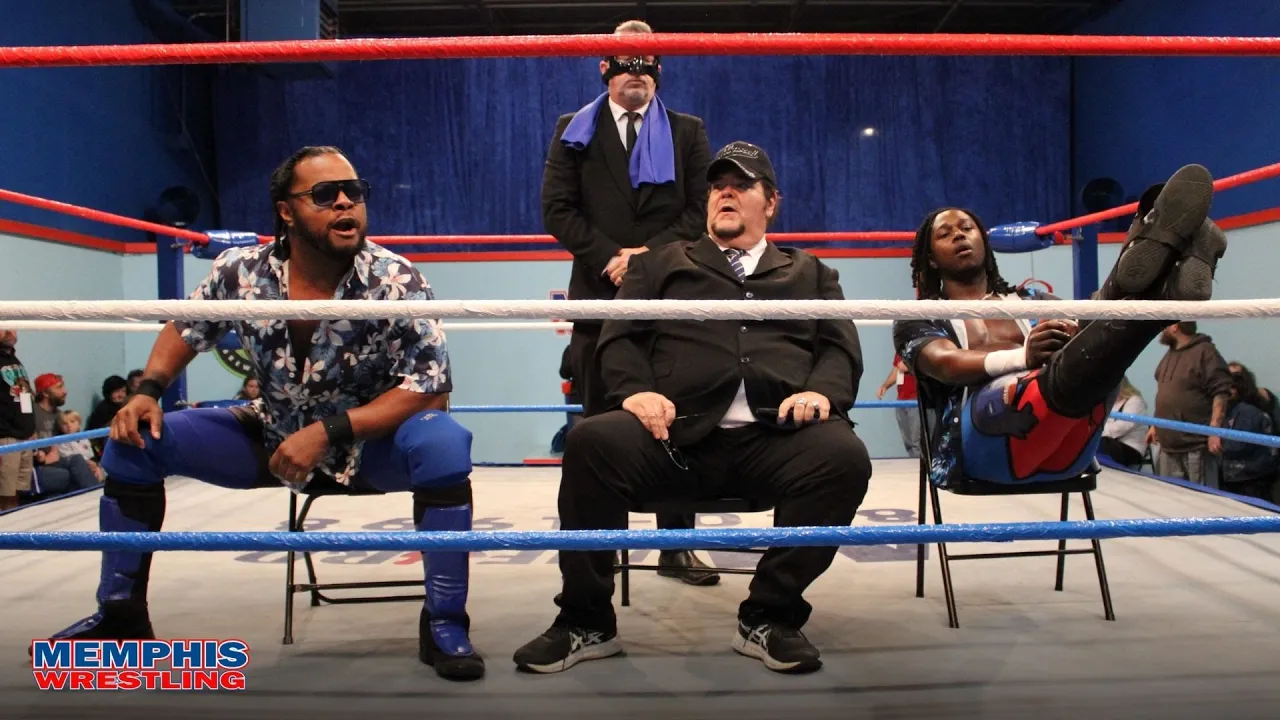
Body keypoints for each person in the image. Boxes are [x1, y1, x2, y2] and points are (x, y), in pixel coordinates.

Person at [37, 146, 485, 681]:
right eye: (325, 194)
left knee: (442, 441)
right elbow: (186, 327)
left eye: (354, 191)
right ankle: (120, 614)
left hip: (371, 445)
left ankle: (444, 622)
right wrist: (148, 391)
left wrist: (327, 432)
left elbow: (429, 388)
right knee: (133, 439)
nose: (345, 202)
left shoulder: (397, 279)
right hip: (272, 435)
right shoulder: (241, 271)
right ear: (286, 211)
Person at [515, 141, 871, 675]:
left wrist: (821, 392)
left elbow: (840, 347)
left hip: (777, 438)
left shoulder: (811, 272)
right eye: (717, 186)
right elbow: (619, 337)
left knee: (843, 456)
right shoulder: (661, 263)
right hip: (672, 439)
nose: (725, 193)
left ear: (771, 202)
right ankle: (586, 621)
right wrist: (636, 390)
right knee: (591, 441)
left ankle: (769, 615)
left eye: (742, 185)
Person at [893, 164, 1226, 491]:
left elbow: (1086, 338)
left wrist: (1069, 337)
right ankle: (1157, 289)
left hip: (1072, 445)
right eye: (945, 234)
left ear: (983, 239)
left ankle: (1152, 281)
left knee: (1091, 339)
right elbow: (946, 364)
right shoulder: (921, 315)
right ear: (931, 258)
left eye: (967, 228)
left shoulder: (1033, 301)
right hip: (982, 452)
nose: (959, 235)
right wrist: (1023, 357)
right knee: (1072, 363)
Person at [542, 19, 716, 585]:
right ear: (605, 68)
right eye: (625, 61)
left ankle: (676, 546)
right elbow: (557, 209)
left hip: (671, 290)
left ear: (658, 71)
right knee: (596, 424)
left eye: (646, 62)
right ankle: (598, 555)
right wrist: (610, 257)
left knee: (678, 418)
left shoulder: (688, 131)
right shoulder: (574, 129)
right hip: (598, 294)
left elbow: (700, 210)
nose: (635, 71)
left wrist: (646, 258)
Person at [1146, 322, 1232, 487]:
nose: (1162, 329)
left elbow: (1221, 391)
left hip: (1195, 444)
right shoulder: (1170, 354)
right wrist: (1156, 425)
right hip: (1169, 443)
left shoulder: (1205, 352)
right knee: (1172, 496)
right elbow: (1165, 393)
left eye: (1165, 325)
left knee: (1200, 498)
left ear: (1175, 326)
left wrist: (1215, 431)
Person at [1220, 368, 1277, 499]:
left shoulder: (1247, 412)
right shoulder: (1234, 410)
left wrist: (1213, 443)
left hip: (1249, 476)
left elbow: (1239, 445)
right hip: (1242, 475)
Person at [0, 329, 35, 512]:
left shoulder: (14, 360)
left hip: (24, 436)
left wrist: (31, 427)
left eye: (12, 325)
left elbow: (24, 395)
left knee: (17, 493)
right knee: (4, 494)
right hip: (5, 437)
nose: (9, 331)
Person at [876, 354, 922, 457]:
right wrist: (885, 386)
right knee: (908, 442)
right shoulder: (900, 351)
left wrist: (908, 365)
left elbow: (926, 366)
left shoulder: (917, 348)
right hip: (901, 401)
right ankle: (913, 463)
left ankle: (920, 465)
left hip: (915, 399)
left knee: (916, 441)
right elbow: (897, 369)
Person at [1099, 376, 1148, 469]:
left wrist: (1098, 432)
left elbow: (1121, 427)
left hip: (1131, 447)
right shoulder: (1110, 402)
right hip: (1112, 442)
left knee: (1100, 443)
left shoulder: (1135, 401)